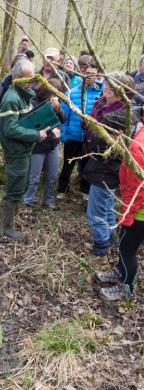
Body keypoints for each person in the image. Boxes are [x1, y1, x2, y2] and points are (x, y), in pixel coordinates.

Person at [83, 74, 139, 257]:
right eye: (106, 85)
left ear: (120, 92)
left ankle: (101, 246)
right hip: (112, 168)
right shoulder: (124, 111)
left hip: (105, 168)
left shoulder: (115, 117)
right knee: (106, 205)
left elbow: (98, 145)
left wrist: (93, 127)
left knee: (96, 210)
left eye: (109, 87)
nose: (105, 88)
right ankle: (109, 238)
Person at [0, 60, 48, 240]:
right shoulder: (11, 99)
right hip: (16, 151)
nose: (32, 81)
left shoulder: (24, 94)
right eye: (28, 77)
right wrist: (36, 134)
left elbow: (27, 118)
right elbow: (9, 129)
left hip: (25, 149)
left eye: (33, 77)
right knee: (15, 187)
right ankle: (6, 227)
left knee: (21, 185)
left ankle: (12, 219)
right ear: (17, 78)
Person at [93, 122, 144, 300]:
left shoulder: (137, 147)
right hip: (137, 207)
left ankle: (126, 287)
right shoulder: (138, 139)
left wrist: (128, 214)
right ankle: (119, 271)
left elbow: (138, 189)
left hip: (139, 212)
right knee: (125, 246)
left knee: (127, 250)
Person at [57, 62, 103, 197]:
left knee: (88, 165)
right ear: (82, 73)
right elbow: (64, 116)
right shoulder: (71, 93)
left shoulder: (100, 95)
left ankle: (85, 191)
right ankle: (62, 189)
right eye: (87, 73)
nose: (89, 76)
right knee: (68, 164)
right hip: (73, 135)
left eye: (92, 74)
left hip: (90, 138)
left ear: (97, 76)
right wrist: (64, 134)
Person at [24, 79, 65, 210]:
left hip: (52, 145)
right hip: (38, 145)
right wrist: (51, 129)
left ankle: (49, 200)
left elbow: (63, 119)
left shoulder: (54, 102)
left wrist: (58, 109)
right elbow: (34, 123)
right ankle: (28, 202)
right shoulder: (33, 102)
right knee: (34, 176)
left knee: (52, 175)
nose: (55, 96)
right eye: (53, 93)